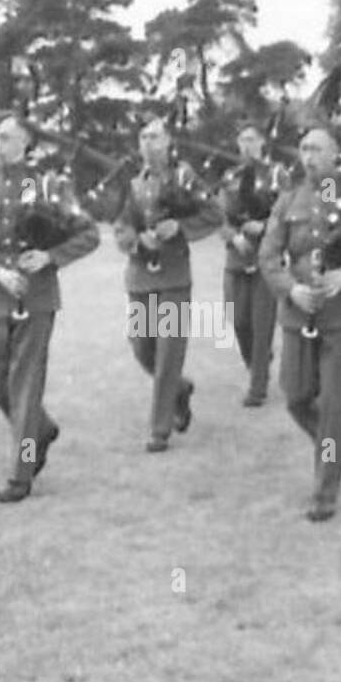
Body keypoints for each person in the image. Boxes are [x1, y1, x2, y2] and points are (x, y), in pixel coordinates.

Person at [260, 127, 341, 521]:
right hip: (298, 313)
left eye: (317, 148)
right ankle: (329, 448)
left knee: (334, 409)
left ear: (335, 154)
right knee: (296, 397)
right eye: (303, 148)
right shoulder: (288, 200)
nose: (308, 156)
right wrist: (290, 289)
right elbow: (269, 256)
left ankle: (325, 491)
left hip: (340, 317)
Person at [0, 114, 99, 502]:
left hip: (37, 298)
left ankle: (22, 471)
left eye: (7, 138)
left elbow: (89, 233)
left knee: (24, 386)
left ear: (26, 143)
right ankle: (40, 428)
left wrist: (51, 256)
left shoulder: (50, 185)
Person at [113, 115, 223, 452]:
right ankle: (179, 391)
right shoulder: (133, 184)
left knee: (168, 354)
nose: (148, 142)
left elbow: (214, 213)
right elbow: (121, 226)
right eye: (144, 136)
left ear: (169, 141)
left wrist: (181, 228)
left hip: (174, 278)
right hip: (141, 278)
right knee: (142, 348)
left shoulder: (184, 177)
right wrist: (136, 240)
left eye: (156, 136)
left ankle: (160, 429)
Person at [218, 121, 286, 406]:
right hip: (237, 256)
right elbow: (219, 215)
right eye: (242, 140)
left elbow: (286, 211)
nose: (246, 145)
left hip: (265, 258)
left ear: (262, 143)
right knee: (238, 320)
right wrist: (233, 237)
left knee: (261, 323)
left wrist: (266, 227)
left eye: (251, 139)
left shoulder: (276, 174)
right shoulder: (230, 176)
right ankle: (257, 359)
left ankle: (258, 386)